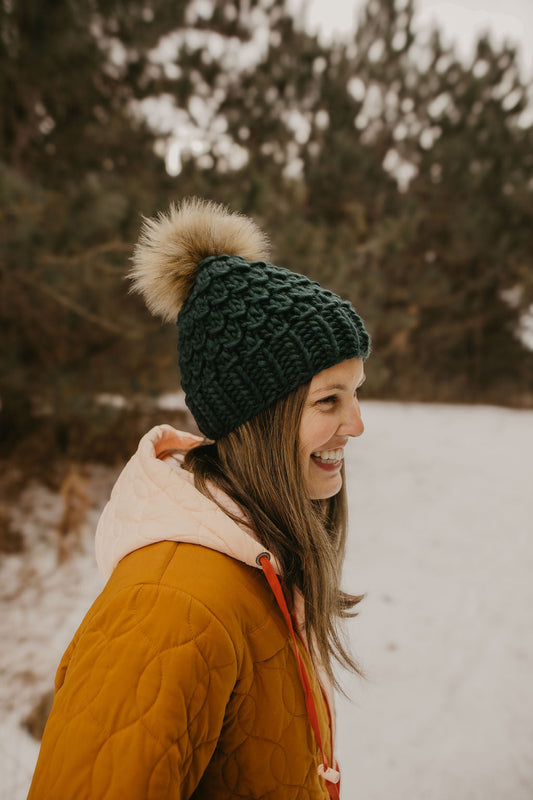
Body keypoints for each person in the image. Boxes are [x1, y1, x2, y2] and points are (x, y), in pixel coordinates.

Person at [28, 198, 371, 799]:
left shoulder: (258, 564)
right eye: (328, 400)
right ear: (258, 417)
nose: (357, 425)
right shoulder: (170, 607)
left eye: (357, 393)